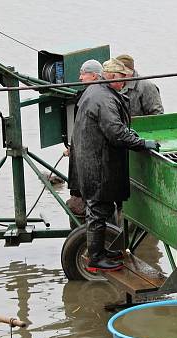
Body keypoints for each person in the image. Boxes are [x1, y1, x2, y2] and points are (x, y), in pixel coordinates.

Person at [72, 58, 160, 272]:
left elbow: (114, 127)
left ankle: (101, 251)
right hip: (98, 164)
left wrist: (130, 133)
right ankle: (95, 258)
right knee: (98, 210)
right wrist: (141, 143)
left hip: (92, 158)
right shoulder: (103, 98)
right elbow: (116, 133)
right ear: (111, 77)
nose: (125, 83)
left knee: (99, 209)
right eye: (122, 79)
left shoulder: (97, 91)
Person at [67, 59, 105, 220]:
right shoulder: (84, 95)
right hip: (82, 150)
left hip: (92, 156)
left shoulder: (100, 96)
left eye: (84, 74)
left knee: (95, 202)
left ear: (95, 76)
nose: (80, 78)